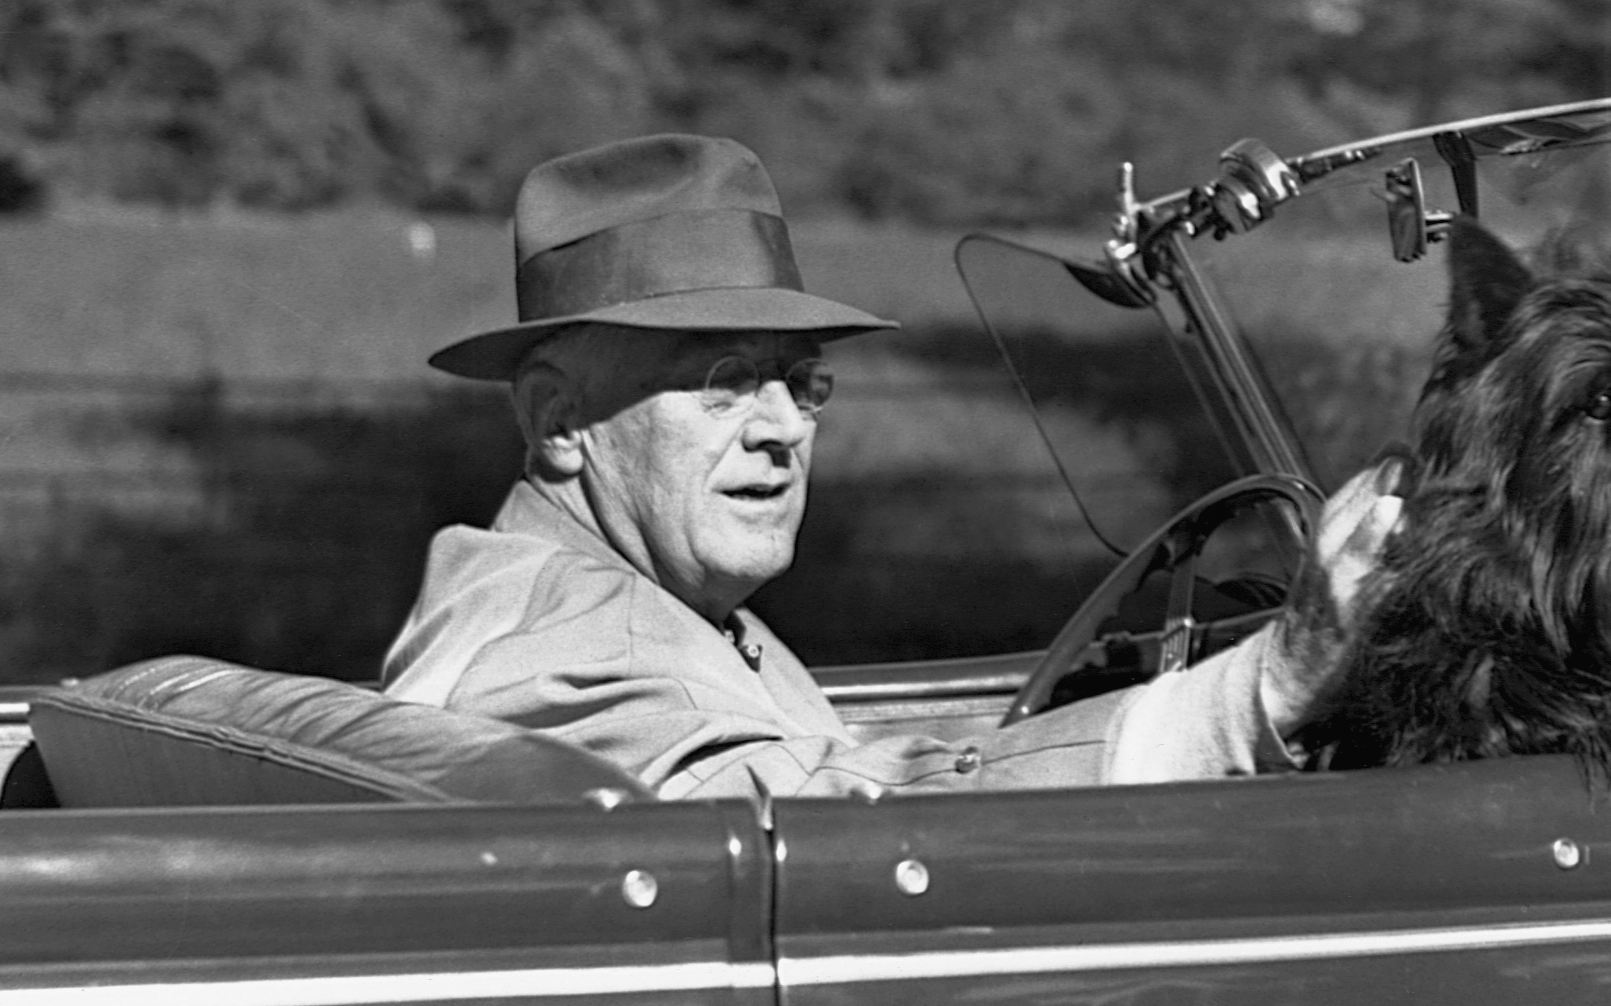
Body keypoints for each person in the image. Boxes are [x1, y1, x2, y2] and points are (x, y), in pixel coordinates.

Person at [381, 132, 1399, 800]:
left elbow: (828, 755)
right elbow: (845, 838)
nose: (784, 426)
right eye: (724, 382)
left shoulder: (660, 602)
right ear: (561, 421)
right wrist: (1265, 684)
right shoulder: (563, 653)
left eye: (801, 381)